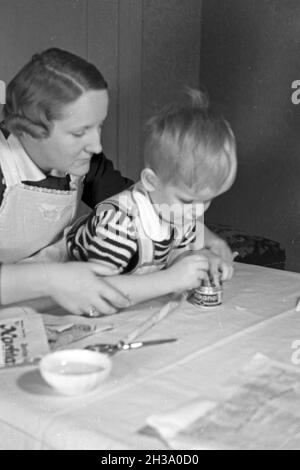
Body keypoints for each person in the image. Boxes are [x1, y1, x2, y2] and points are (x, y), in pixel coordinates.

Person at [0, 48, 232, 316]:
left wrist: (206, 241)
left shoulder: (81, 162)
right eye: (79, 132)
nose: (97, 146)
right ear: (27, 129)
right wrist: (51, 279)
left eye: (99, 126)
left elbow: (143, 202)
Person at [66, 88, 237, 307]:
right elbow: (96, 292)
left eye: (206, 201)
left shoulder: (177, 212)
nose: (197, 212)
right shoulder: (119, 225)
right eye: (187, 200)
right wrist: (170, 280)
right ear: (150, 181)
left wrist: (199, 262)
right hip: (67, 281)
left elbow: (176, 252)